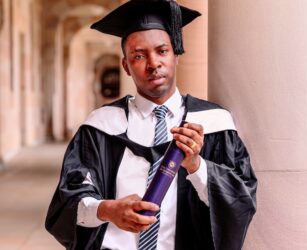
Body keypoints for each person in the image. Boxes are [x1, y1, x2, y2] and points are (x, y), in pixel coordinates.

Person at [45, 1, 257, 250]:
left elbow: (241, 201)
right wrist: (105, 210)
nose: (153, 63)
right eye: (138, 55)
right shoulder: (100, 128)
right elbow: (67, 201)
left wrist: (196, 166)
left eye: (162, 51)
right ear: (126, 66)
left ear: (176, 55)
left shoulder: (213, 125)